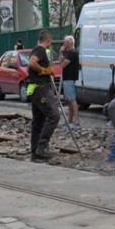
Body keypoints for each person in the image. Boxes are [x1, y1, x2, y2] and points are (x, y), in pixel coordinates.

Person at [27, 30, 60, 160]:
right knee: (54, 115)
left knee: (38, 121)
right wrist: (44, 70)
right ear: (48, 41)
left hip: (34, 89)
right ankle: (42, 147)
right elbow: (31, 63)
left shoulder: (35, 50)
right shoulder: (40, 50)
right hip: (41, 88)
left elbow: (28, 68)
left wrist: (43, 70)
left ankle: (35, 152)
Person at [59, 35, 80, 128]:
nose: (63, 44)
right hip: (67, 78)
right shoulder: (68, 53)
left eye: (64, 42)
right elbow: (61, 62)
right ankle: (70, 120)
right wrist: (61, 53)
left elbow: (63, 65)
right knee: (69, 100)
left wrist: (61, 53)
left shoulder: (72, 53)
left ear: (68, 43)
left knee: (72, 99)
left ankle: (76, 121)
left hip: (70, 78)